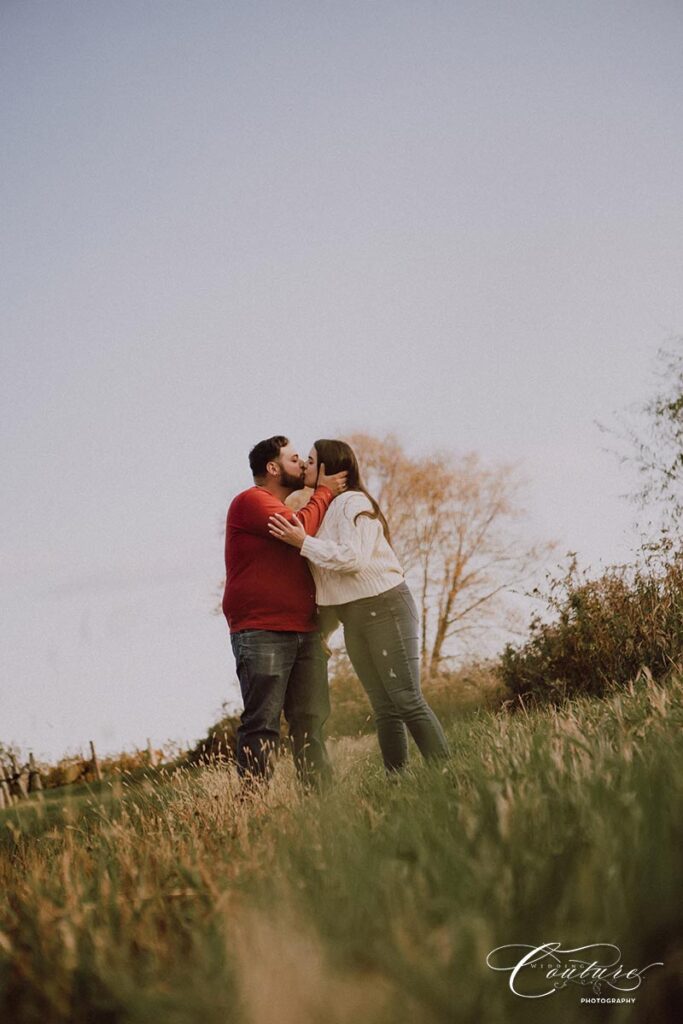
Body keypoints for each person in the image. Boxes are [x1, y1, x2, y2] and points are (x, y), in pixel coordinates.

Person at [268, 439, 450, 773]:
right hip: (354, 618)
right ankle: (397, 783)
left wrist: (302, 542)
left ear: (329, 468)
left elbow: (353, 560)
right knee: (384, 708)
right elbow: (329, 582)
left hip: (386, 607)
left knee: (406, 698)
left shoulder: (353, 502)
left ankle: (447, 776)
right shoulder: (325, 510)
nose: (305, 466)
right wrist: (324, 629)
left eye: (310, 461)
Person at [222, 435, 347, 787]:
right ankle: (253, 808)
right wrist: (324, 491)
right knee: (262, 722)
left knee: (310, 720)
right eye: (295, 459)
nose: (303, 465)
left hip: (306, 632)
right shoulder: (251, 501)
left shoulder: (286, 508)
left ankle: (321, 806)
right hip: (263, 631)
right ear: (272, 468)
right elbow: (300, 531)